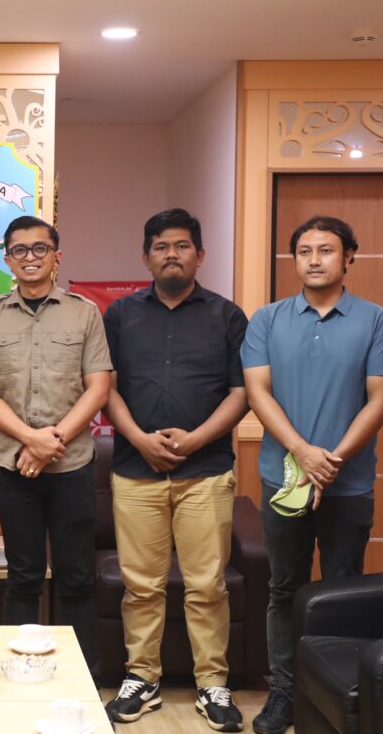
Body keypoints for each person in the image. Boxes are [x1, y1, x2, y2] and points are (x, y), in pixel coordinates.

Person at [242, 216, 383, 734]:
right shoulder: (267, 320)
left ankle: (339, 695)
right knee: (284, 589)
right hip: (282, 480)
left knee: (342, 589)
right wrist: (303, 454)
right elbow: (258, 393)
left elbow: (380, 401)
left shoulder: (377, 321)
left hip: (348, 484)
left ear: (349, 256)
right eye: (305, 251)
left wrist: (329, 461)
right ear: (295, 259)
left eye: (326, 250)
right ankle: (285, 694)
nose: (314, 259)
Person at [101, 209, 248, 731]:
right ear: (146, 257)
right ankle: (142, 678)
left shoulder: (228, 316)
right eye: (161, 247)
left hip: (205, 471)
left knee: (207, 585)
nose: (171, 255)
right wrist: (140, 440)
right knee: (141, 586)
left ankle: (212, 683)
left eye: (182, 246)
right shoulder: (119, 315)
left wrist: (196, 439)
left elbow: (241, 392)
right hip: (134, 470)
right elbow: (105, 388)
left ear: (199, 255)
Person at [0, 215, 111, 673]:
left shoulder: (84, 312)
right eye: (19, 250)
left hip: (72, 466)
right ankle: (20, 673)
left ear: (56, 256)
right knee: (23, 576)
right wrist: (32, 440)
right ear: (7, 259)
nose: (29, 257)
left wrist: (52, 441)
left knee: (76, 578)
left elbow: (98, 388)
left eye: (39, 249)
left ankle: (84, 678)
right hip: (12, 466)